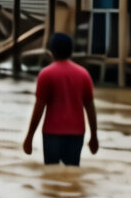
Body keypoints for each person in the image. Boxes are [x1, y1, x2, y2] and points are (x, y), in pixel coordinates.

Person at [24, 30, 99, 166]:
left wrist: (29, 136)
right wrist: (94, 136)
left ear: (52, 51)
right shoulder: (83, 75)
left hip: (52, 134)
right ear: (71, 51)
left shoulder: (46, 74)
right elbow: (90, 108)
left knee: (51, 174)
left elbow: (39, 109)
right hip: (76, 134)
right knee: (72, 173)